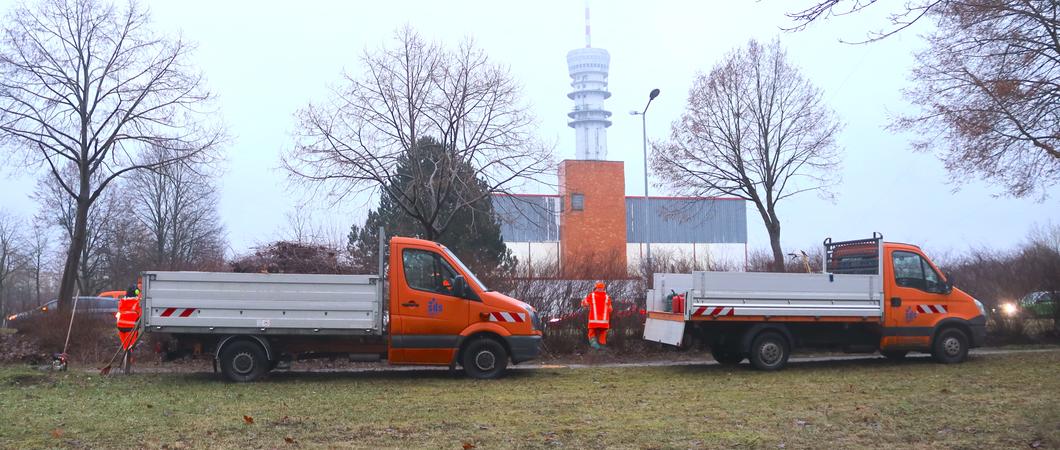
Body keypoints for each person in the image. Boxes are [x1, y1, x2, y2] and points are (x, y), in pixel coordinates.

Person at [581, 281, 613, 349]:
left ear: (596, 288)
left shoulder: (592, 296)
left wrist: (582, 302)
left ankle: (594, 343)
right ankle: (602, 346)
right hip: (604, 322)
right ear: (603, 289)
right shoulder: (607, 297)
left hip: (594, 321)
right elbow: (610, 309)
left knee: (591, 332)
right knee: (603, 333)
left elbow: (584, 303)